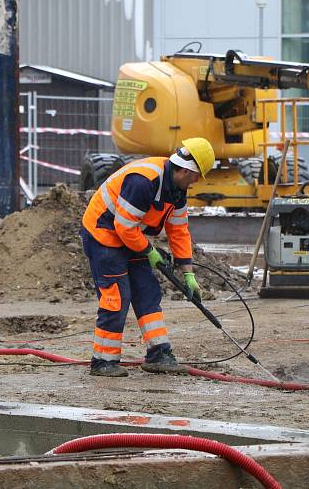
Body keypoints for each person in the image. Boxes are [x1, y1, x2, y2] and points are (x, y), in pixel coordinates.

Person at [80, 138, 215, 377]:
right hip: (104, 234)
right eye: (197, 175)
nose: (197, 182)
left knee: (147, 291)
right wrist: (149, 251)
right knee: (117, 297)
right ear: (186, 170)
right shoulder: (144, 180)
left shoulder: (177, 191)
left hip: (131, 235)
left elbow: (179, 230)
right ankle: (103, 361)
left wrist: (188, 273)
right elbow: (123, 226)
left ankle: (158, 353)